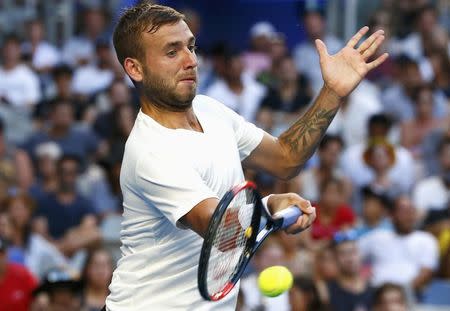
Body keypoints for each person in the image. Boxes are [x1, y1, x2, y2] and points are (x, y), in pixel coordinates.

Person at [105, 3, 387, 310]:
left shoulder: (210, 109)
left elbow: (285, 158)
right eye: (172, 52)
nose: (191, 60)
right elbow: (224, 234)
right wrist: (270, 207)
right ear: (135, 68)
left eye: (191, 46)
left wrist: (332, 92)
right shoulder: (151, 151)